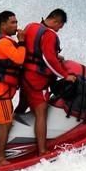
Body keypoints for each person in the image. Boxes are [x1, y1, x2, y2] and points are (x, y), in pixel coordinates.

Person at [20, 8, 77, 154]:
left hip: (24, 77)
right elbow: (48, 59)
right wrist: (65, 76)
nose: (58, 30)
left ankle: (7, 136)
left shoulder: (30, 26)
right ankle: (42, 151)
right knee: (41, 115)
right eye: (60, 26)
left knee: (21, 107)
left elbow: (33, 50)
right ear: (55, 21)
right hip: (37, 81)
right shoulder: (50, 35)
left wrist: (56, 57)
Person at [0, 10, 27, 166]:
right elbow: (20, 58)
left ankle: (11, 149)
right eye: (12, 23)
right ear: (3, 25)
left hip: (1, 89)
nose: (16, 25)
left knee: (9, 119)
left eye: (16, 22)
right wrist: (21, 41)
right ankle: (0, 159)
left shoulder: (1, 38)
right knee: (6, 123)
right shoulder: (3, 42)